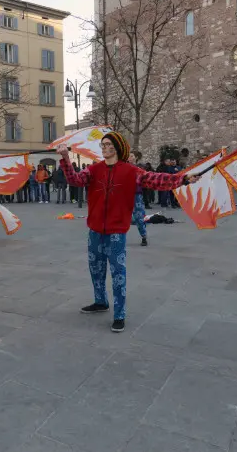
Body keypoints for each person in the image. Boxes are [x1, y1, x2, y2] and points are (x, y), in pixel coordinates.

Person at [57, 132, 199, 333]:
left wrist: (183, 179)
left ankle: (120, 314)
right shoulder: (94, 170)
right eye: (102, 144)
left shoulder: (132, 171)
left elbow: (157, 180)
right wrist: (65, 158)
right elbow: (75, 180)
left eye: (108, 144)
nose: (104, 148)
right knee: (96, 269)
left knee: (118, 274)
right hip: (95, 230)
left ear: (117, 147)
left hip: (116, 232)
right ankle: (100, 301)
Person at [128, 153, 149, 247]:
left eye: (132, 155)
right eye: (129, 156)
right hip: (126, 195)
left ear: (135, 157)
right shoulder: (124, 168)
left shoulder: (139, 169)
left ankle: (144, 236)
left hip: (137, 195)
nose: (130, 157)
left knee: (139, 216)